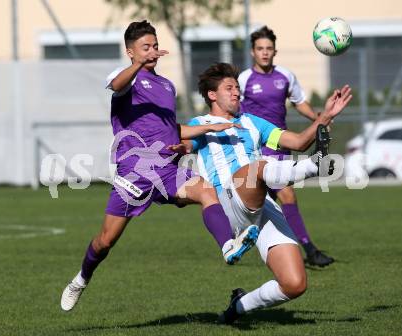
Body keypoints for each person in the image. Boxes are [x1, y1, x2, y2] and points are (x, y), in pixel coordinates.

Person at [60, 21, 258, 312]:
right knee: (105, 241)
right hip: (135, 172)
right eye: (145, 47)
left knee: (206, 190)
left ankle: (228, 246)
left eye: (154, 46)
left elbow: (171, 130)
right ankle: (81, 278)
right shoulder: (125, 78)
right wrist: (137, 64)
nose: (152, 51)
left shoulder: (167, 86)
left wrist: (212, 126)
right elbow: (116, 86)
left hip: (167, 169)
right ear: (130, 51)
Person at [185, 63, 351, 324]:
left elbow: (297, 142)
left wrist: (326, 116)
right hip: (229, 203)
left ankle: (238, 306)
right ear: (211, 95)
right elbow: (179, 144)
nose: (237, 93)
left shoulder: (252, 122)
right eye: (229, 88)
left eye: (238, 88)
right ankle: (312, 165)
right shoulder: (199, 124)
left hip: (261, 201)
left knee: (294, 283)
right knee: (259, 168)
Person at [238, 26, 334, 267]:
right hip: (259, 146)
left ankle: (247, 239)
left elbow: (299, 102)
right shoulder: (244, 79)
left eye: (269, 49)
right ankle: (310, 250)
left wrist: (318, 120)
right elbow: (233, 111)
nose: (265, 53)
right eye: (260, 49)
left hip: (283, 143)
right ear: (252, 52)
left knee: (265, 201)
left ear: (275, 51)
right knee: (286, 194)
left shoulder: (285, 76)